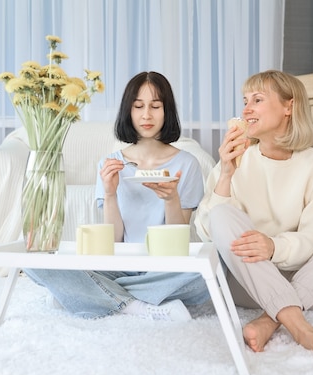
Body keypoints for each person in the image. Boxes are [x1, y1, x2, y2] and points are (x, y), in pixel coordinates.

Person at [194, 70, 313, 367]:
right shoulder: (234, 161)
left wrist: (274, 247)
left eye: (257, 100)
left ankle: (271, 320)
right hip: (249, 287)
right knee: (220, 213)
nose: (246, 109)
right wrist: (226, 174)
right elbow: (208, 232)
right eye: (245, 101)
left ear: (289, 106)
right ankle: (304, 331)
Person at [24, 71, 209, 321]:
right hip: (119, 265)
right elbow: (113, 240)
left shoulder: (186, 164)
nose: (146, 115)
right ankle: (136, 306)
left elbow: (177, 243)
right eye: (138, 106)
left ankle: (83, 294)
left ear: (167, 112)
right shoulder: (110, 164)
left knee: (206, 276)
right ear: (127, 111)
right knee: (34, 263)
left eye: (155, 106)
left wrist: (171, 198)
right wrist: (110, 193)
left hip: (164, 268)